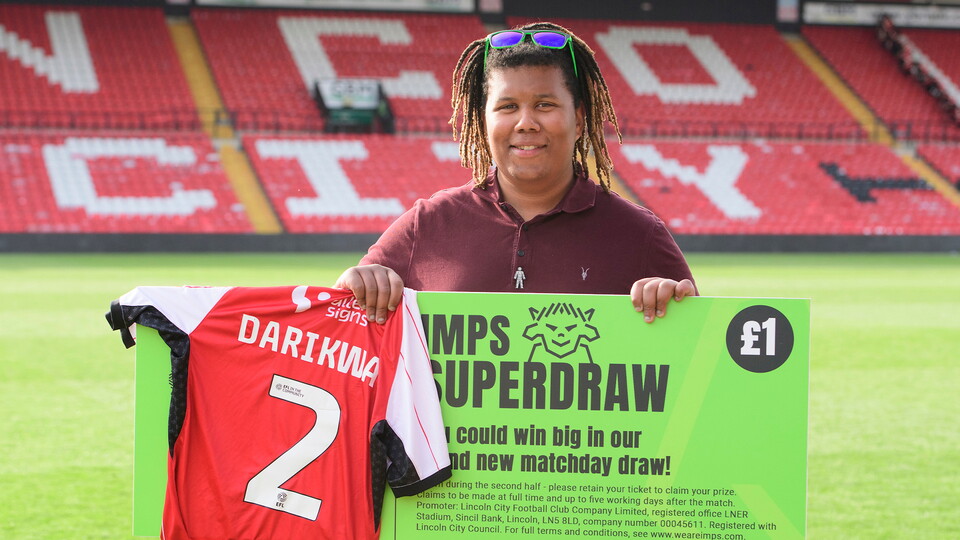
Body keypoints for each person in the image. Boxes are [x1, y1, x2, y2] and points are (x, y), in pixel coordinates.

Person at [336, 21, 696, 324]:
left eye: (545, 104)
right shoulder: (427, 225)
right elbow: (346, 326)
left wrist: (679, 311)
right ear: (482, 121)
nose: (526, 122)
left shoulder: (640, 234)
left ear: (579, 119)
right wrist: (357, 285)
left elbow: (701, 360)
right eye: (507, 107)